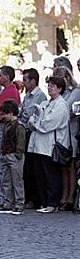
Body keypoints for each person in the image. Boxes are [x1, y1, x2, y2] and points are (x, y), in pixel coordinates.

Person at [27, 76, 69, 213]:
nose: (50, 88)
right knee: (40, 175)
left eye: (53, 86)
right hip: (38, 145)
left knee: (51, 175)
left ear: (60, 89)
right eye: (49, 85)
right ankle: (43, 202)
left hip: (50, 146)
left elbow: (49, 123)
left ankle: (52, 203)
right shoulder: (46, 103)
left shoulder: (61, 105)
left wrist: (36, 123)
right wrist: (35, 122)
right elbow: (33, 118)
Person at [0, 65, 21, 208]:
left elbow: (5, 114)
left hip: (2, 128)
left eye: (1, 75)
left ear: (7, 76)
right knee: (1, 164)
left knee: (1, 163)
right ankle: (5, 196)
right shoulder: (6, 91)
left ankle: (5, 197)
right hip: (0, 127)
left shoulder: (10, 92)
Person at [52, 66, 80, 210]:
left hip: (72, 132)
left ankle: (70, 197)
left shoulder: (75, 92)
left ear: (67, 78)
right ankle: (64, 196)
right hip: (62, 133)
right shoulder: (59, 94)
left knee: (70, 166)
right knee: (63, 166)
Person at [19, 68, 47, 209]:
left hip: (32, 133)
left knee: (32, 167)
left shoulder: (40, 96)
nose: (24, 83)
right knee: (26, 167)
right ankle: (27, 196)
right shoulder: (27, 96)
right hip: (24, 131)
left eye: (25, 80)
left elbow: (32, 114)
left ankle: (34, 198)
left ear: (33, 81)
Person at [0, 100, 26, 215]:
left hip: (14, 156)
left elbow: (21, 142)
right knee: (7, 181)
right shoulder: (8, 125)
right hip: (6, 155)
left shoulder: (19, 126)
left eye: (5, 114)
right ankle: (9, 202)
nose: (3, 116)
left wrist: (18, 154)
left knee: (17, 181)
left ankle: (19, 203)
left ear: (11, 113)